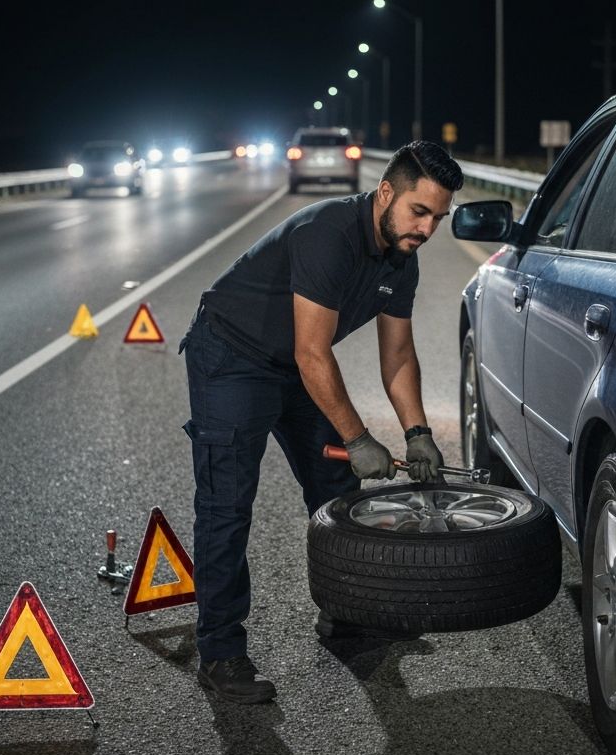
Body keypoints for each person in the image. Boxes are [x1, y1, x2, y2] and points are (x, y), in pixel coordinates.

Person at [180, 139, 464, 704]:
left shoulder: (402, 256)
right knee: (227, 505)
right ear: (386, 192)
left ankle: (345, 615)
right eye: (419, 211)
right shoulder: (328, 235)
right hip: (233, 357)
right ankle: (220, 652)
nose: (427, 229)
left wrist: (418, 433)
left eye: (438, 217)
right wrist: (358, 437)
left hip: (296, 367)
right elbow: (315, 353)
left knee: (338, 492)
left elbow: (399, 355)